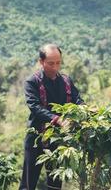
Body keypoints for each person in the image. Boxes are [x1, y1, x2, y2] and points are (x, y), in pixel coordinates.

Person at [19, 43, 84, 190]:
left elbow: (78, 100)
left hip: (58, 141)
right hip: (36, 140)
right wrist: (58, 119)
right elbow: (35, 107)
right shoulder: (32, 82)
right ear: (41, 62)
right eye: (50, 63)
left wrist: (84, 110)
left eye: (58, 63)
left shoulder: (67, 81)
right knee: (28, 184)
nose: (55, 67)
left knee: (55, 185)